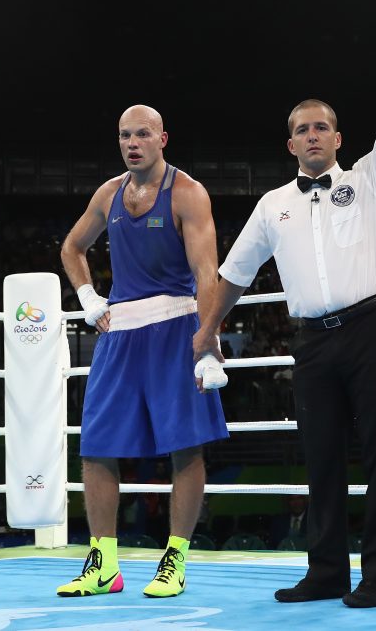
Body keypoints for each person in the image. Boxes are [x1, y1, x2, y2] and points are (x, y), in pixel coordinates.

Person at [192, 0, 376, 609]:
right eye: (301, 129)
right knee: (319, 458)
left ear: (339, 137)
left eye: (321, 126)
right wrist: (206, 331)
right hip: (312, 342)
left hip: (372, 327)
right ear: (290, 144)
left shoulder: (374, 176)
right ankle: (327, 571)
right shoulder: (273, 204)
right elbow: (234, 273)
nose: (312, 134)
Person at [57, 105, 229, 599]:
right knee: (96, 446)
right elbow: (72, 248)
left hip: (177, 327)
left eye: (142, 134)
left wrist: (208, 338)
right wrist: (89, 299)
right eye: (124, 135)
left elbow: (206, 272)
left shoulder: (189, 194)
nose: (133, 143)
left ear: (162, 139)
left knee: (186, 445)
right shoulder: (108, 193)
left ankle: (174, 559)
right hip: (120, 333)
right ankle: (104, 564)